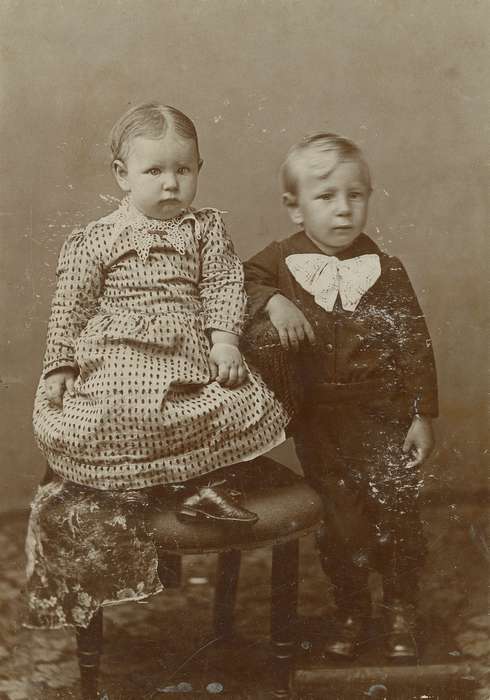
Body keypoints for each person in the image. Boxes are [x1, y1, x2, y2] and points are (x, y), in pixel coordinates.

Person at [243, 132, 438, 660]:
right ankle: (352, 609)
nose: (344, 210)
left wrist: (422, 415)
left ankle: (400, 610)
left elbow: (414, 342)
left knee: (396, 512)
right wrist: (274, 303)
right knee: (342, 522)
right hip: (320, 421)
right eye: (326, 197)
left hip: (381, 416)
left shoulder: (386, 269)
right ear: (294, 206)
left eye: (356, 195)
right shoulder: (280, 261)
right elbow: (238, 283)